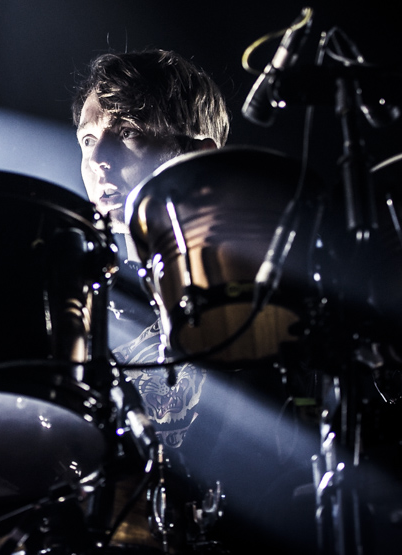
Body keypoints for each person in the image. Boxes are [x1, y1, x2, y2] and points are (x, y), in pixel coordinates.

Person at [72, 50, 316, 552]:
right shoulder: (96, 300)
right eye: (89, 138)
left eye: (129, 133)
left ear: (197, 155)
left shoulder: (271, 288)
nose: (97, 160)